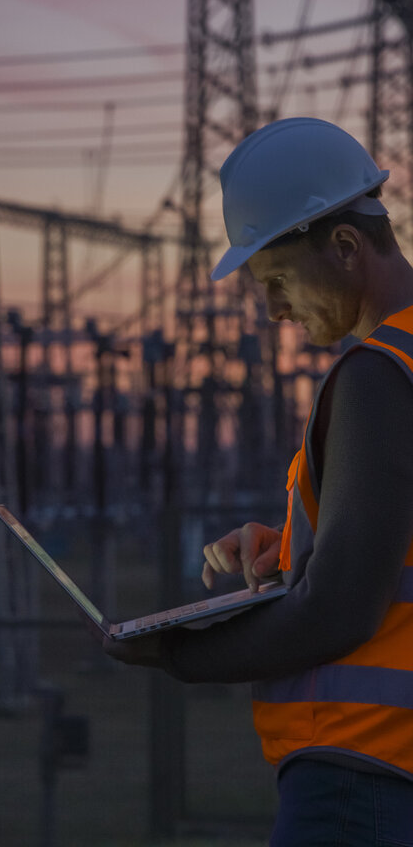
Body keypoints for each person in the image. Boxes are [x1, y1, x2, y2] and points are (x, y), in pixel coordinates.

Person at [88, 117, 413, 846]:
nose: (272, 311)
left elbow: (340, 613)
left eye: (275, 280)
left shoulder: (379, 376)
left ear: (346, 247)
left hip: (361, 773)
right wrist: (301, 545)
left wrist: (174, 650)